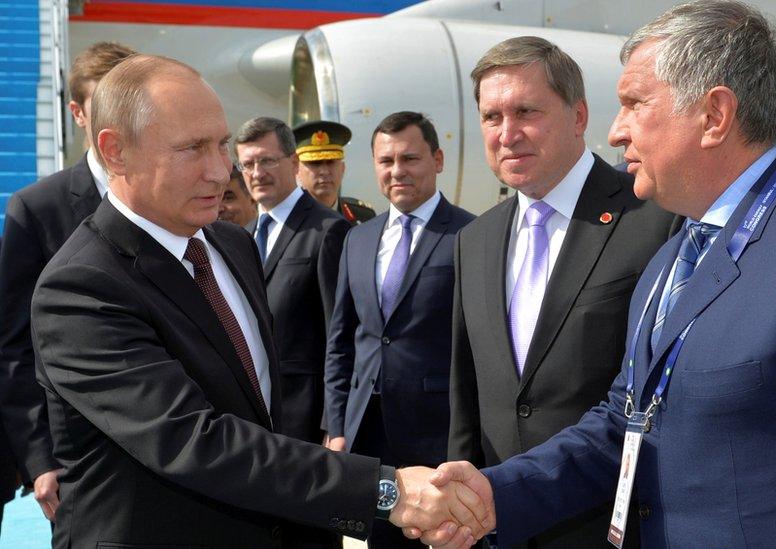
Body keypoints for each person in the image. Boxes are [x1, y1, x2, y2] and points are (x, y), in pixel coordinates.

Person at [423, 1, 776, 547]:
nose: (617, 130)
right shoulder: (676, 252)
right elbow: (625, 423)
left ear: (714, 116)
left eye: (634, 104)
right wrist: (495, 494)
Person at [30, 54, 492, 548]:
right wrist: (387, 490)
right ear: (115, 152)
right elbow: (194, 441)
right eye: (192, 149)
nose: (220, 171)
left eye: (221, 144)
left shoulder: (230, 245)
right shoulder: (80, 288)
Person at [447, 36, 677, 548]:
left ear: (578, 117)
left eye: (526, 111)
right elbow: (468, 397)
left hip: (614, 528)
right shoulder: (474, 240)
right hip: (500, 524)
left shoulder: (654, 219)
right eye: (491, 117)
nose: (507, 134)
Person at [324, 111, 475, 548]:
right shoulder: (359, 237)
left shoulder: (469, 233)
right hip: (367, 430)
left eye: (410, 158)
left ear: (438, 159)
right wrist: (336, 424)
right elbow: (342, 342)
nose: (397, 171)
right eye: (386, 161)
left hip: (438, 432)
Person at [0, 40, 135, 524]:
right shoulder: (37, 209)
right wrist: (40, 458)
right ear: (78, 113)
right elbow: (14, 346)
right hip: (79, 454)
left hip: (171, 439)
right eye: (107, 102)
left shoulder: (171, 197)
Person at [235, 117, 350, 450]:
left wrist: (334, 422)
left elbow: (338, 336)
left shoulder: (328, 231)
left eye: (267, 160)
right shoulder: (241, 236)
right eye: (248, 164)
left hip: (306, 420)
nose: (257, 173)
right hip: (254, 418)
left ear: (295, 163)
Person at [293, 120, 376, 224]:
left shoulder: (363, 216)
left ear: (342, 168)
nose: (324, 171)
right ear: (296, 170)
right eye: (315, 163)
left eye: (331, 162)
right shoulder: (286, 220)